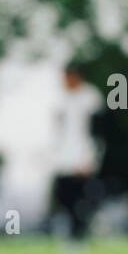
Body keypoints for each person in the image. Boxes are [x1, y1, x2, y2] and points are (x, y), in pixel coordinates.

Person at [50, 63, 104, 243]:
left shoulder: (90, 98)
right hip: (63, 160)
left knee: (82, 201)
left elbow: (97, 133)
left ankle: (80, 236)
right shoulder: (59, 99)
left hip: (83, 158)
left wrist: (90, 158)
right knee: (63, 198)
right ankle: (70, 234)